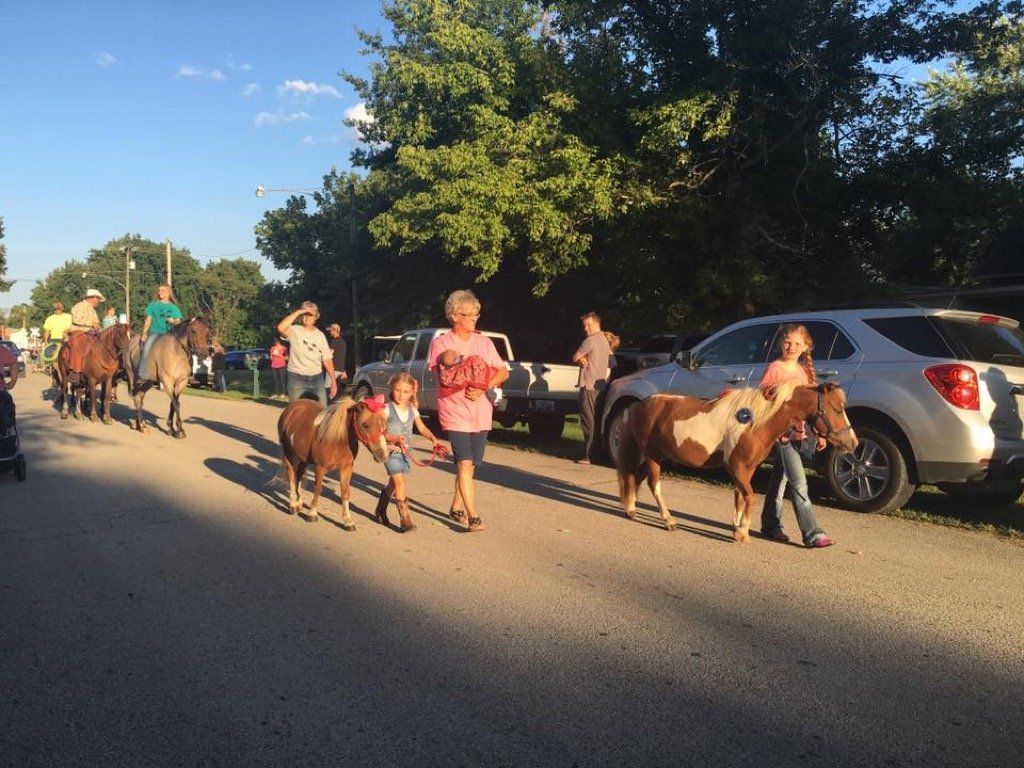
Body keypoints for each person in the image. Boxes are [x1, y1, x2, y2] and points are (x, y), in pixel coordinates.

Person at [427, 289, 509, 532]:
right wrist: (453, 359)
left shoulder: (484, 342)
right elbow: (442, 370)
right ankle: (474, 517)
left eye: (476, 314)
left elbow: (503, 372)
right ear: (454, 315)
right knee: (464, 463)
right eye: (469, 314)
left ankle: (456, 507)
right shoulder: (442, 342)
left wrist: (484, 386)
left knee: (470, 465)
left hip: (481, 413)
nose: (475, 318)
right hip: (455, 412)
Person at [759, 323, 834, 549]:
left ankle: (770, 525)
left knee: (779, 480)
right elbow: (762, 401)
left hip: (800, 435)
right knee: (799, 483)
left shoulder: (803, 372)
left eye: (797, 344)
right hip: (783, 435)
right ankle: (812, 533)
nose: (791, 347)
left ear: (805, 347)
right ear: (780, 343)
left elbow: (812, 409)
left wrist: (819, 434)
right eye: (787, 342)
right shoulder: (775, 368)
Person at [374, 372, 446, 532]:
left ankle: (381, 508)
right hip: (391, 452)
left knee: (393, 484)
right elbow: (380, 432)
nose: (401, 395)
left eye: (405, 392)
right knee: (400, 483)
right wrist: (394, 438)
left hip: (405, 453)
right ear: (392, 389)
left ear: (412, 392)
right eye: (398, 390)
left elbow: (422, 428)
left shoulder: (413, 410)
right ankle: (405, 519)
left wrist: (433, 439)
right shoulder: (386, 409)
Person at [276, 301, 337, 407]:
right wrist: (299, 312)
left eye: (310, 315)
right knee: (296, 410)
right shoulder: (294, 330)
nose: (307, 317)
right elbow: (280, 328)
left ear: (315, 317)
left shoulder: (320, 336)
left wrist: (333, 381)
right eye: (305, 314)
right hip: (296, 377)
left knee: (321, 410)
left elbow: (327, 360)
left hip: (317, 379)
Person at [572, 311, 614, 464]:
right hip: (601, 386)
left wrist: (581, 358)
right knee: (597, 419)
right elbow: (612, 362)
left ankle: (589, 455)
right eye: (584, 326)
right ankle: (598, 453)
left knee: (588, 420)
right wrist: (584, 359)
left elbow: (575, 356)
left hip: (589, 384)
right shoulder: (605, 340)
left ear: (596, 324)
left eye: (588, 325)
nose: (586, 329)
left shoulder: (589, 340)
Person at [138, 284, 184, 381]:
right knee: (146, 347)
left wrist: (173, 321)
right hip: (155, 333)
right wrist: (144, 333)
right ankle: (142, 374)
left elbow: (178, 322)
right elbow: (148, 320)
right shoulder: (153, 305)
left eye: (163, 291)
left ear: (168, 292)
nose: (160, 293)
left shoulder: (173, 307)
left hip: (169, 334)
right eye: (159, 290)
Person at [62, 288, 105, 382]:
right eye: (98, 299)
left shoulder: (93, 310)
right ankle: (75, 370)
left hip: (92, 332)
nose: (98, 301)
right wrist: (91, 323)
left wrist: (98, 327)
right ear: (93, 298)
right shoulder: (79, 306)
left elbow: (96, 322)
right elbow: (77, 320)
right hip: (79, 331)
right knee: (78, 345)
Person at [325, 323, 348, 402]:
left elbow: (329, 354)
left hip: (333, 369)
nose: (330, 332)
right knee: (338, 392)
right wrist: (344, 370)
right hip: (341, 370)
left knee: (328, 390)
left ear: (334, 331)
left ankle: (328, 406)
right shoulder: (343, 342)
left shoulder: (334, 341)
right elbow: (343, 357)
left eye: (330, 330)